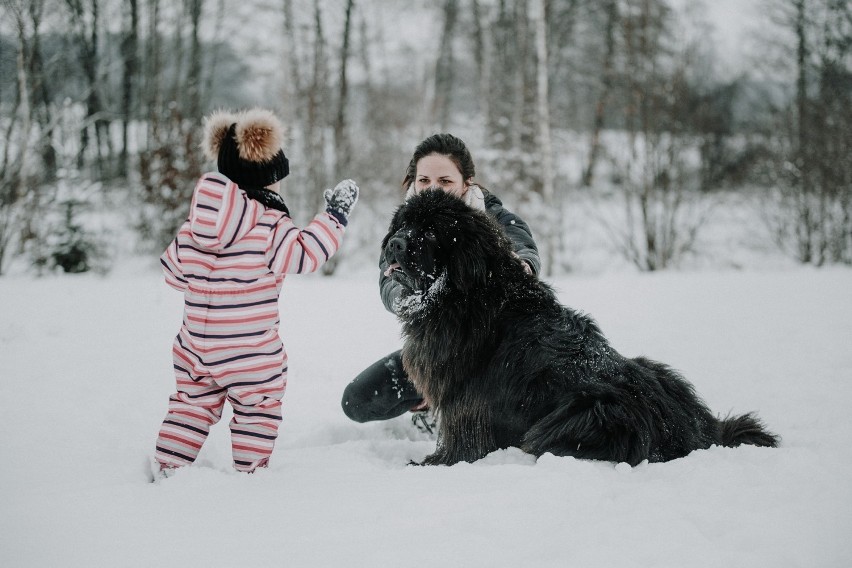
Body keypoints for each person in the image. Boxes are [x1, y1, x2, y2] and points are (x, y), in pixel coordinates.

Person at [152, 108, 359, 477]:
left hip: (195, 347)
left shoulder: (196, 226)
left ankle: (168, 465)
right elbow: (306, 253)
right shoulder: (268, 224)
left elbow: (172, 272)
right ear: (265, 179)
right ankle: (250, 471)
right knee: (259, 403)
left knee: (191, 404)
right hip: (250, 350)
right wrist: (334, 216)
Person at [340, 133, 540, 432]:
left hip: (497, 354)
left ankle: (469, 408)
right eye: (424, 180)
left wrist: (520, 267)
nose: (433, 189)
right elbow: (389, 279)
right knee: (357, 400)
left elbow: (524, 251)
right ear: (413, 181)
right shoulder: (406, 224)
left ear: (466, 182)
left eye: (445, 181)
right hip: (439, 351)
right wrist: (408, 299)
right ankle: (434, 397)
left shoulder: (493, 217)